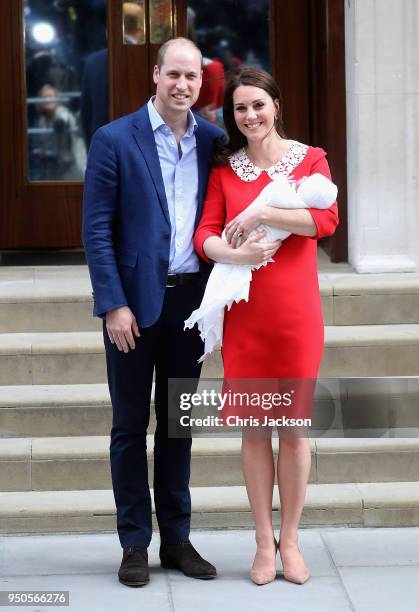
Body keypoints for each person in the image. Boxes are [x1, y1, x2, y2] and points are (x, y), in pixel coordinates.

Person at [82, 37, 224, 587]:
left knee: (179, 424)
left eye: (192, 77)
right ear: (155, 75)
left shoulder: (213, 141)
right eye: (174, 75)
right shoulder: (115, 139)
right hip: (133, 311)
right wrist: (113, 303)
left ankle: (178, 540)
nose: (183, 85)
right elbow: (96, 230)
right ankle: (133, 543)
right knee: (128, 426)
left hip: (191, 307)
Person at [193, 67, 338, 585]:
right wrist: (235, 250)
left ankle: (292, 541)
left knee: (294, 429)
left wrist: (259, 214)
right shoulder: (224, 170)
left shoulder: (309, 159)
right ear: (231, 116)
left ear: (276, 104)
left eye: (258, 104)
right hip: (247, 318)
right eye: (239, 108)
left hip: (296, 314)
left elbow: (325, 221)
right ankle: (262, 544)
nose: (250, 115)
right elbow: (205, 235)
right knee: (255, 431)